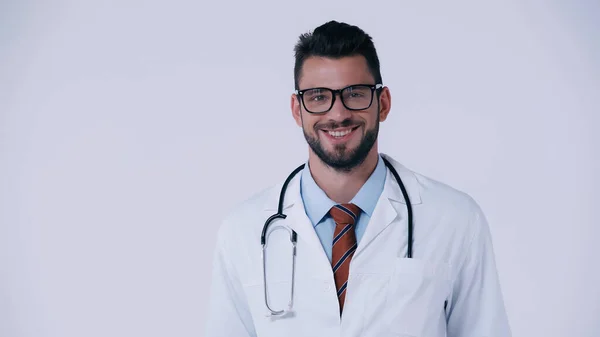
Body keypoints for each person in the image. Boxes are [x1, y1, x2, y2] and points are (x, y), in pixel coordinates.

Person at [204, 20, 511, 337]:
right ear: (297, 110)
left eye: (355, 93)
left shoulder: (455, 220)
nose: (338, 114)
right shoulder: (243, 230)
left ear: (384, 103)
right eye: (319, 96)